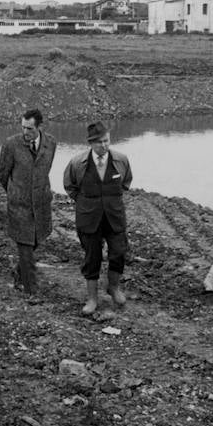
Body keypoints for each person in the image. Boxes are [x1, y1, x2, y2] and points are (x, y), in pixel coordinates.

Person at [63, 122, 133, 315]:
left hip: (114, 216)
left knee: (119, 252)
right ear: (91, 143)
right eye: (100, 142)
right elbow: (70, 186)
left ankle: (114, 287)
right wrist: (86, 202)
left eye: (107, 141)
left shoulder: (121, 160)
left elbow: (126, 183)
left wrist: (110, 201)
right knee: (92, 257)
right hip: (89, 218)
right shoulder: (78, 163)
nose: (104, 145)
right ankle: (92, 299)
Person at [0, 109, 57, 294]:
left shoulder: (51, 143)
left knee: (37, 239)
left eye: (29, 128)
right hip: (19, 206)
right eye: (23, 127)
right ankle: (31, 290)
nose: (25, 132)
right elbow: (2, 172)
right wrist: (15, 192)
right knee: (25, 246)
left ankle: (18, 272)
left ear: (40, 127)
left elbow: (45, 170)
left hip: (41, 204)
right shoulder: (11, 144)